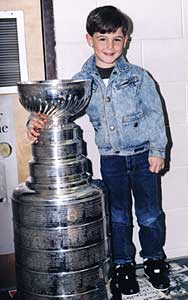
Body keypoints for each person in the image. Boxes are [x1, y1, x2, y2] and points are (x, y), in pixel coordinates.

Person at [27, 5, 170, 297]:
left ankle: (154, 261)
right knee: (117, 216)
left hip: (144, 157)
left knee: (150, 214)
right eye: (102, 39)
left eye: (116, 39)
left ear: (126, 40)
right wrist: (37, 117)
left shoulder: (139, 77)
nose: (110, 46)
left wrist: (158, 150)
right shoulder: (82, 81)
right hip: (111, 161)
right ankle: (123, 265)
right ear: (89, 39)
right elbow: (61, 107)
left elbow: (155, 114)